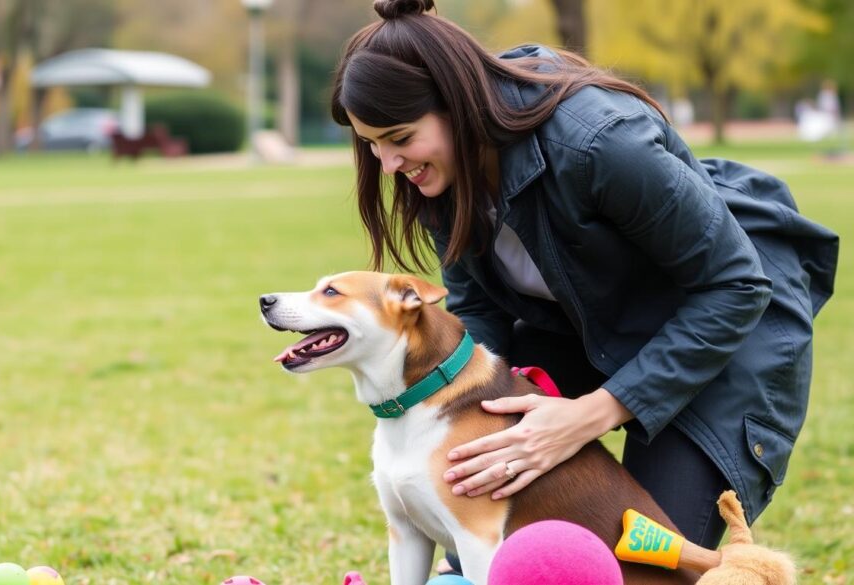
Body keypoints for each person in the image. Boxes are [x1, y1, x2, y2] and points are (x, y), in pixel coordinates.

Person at [330, 0, 838, 574]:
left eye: (400, 137)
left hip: (724, 341)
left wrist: (589, 414)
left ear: (460, 103)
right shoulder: (440, 174)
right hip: (585, 329)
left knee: (642, 568)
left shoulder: (599, 142)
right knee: (483, 487)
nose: (389, 164)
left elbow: (738, 286)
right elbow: (477, 318)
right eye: (373, 144)